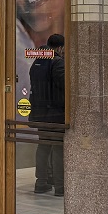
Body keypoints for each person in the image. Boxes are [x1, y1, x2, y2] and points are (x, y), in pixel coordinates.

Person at [28, 33, 66, 196]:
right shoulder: (57, 62)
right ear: (60, 48)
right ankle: (60, 186)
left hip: (39, 112)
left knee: (43, 146)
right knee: (58, 148)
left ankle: (41, 182)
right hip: (56, 113)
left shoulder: (37, 62)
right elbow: (65, 85)